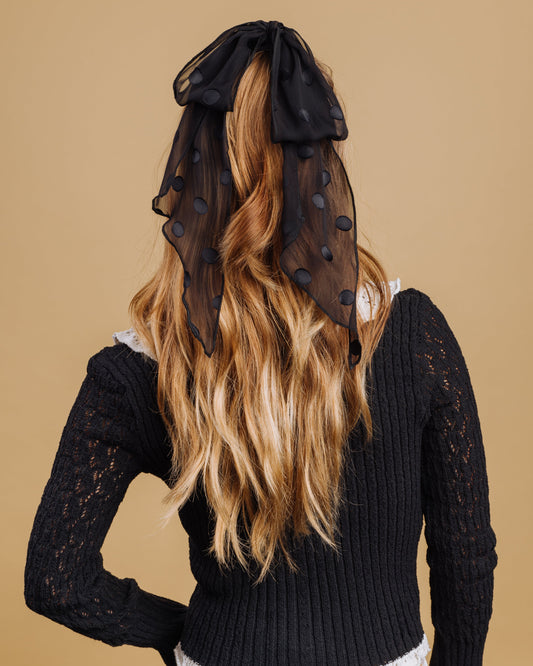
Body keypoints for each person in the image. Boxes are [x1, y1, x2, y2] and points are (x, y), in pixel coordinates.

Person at [23, 19, 498, 666]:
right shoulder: (413, 334)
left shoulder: (141, 369)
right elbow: (464, 554)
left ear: (196, 171)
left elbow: (56, 579)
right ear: (321, 163)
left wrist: (175, 629)